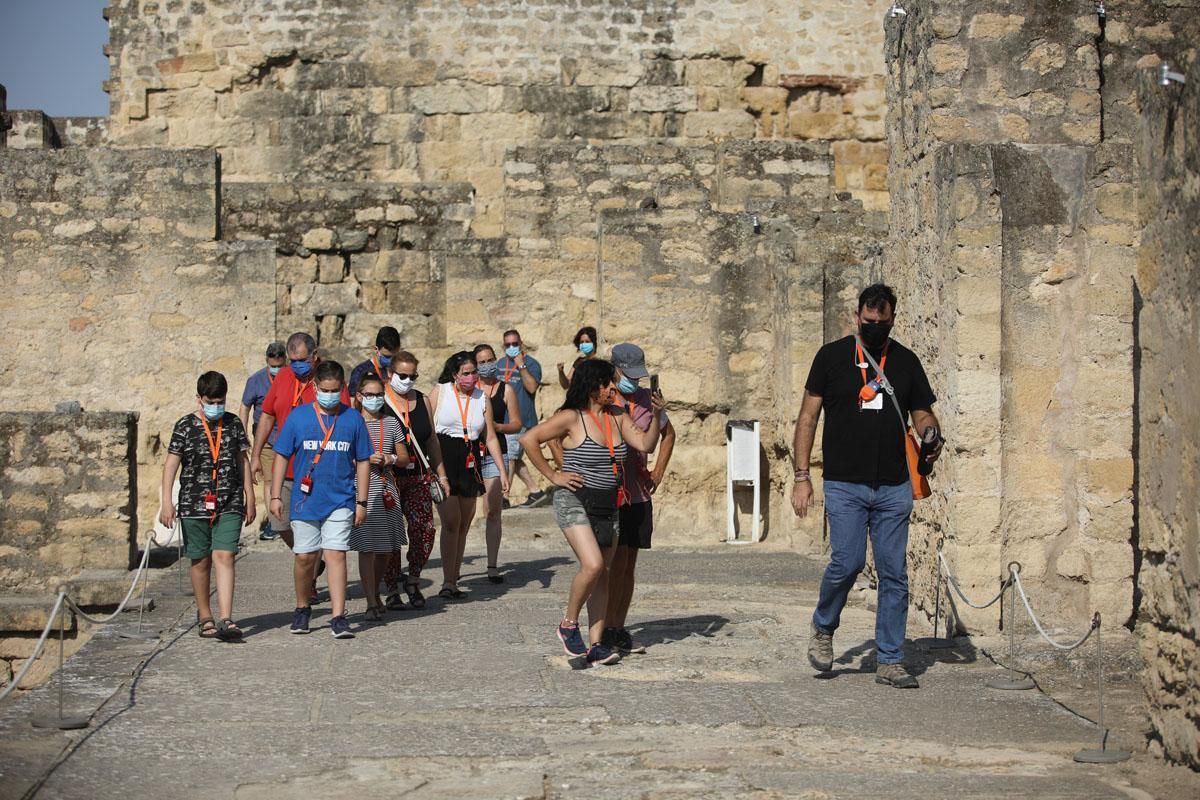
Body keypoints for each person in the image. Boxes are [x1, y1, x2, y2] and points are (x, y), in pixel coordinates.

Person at [792, 283, 942, 689]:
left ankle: (891, 659)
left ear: (893, 319)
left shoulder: (906, 362)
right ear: (857, 316)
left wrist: (930, 434)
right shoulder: (831, 357)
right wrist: (801, 477)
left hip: (893, 485)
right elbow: (807, 418)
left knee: (894, 573)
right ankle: (823, 626)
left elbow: (923, 413)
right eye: (869, 320)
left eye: (883, 321)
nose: (876, 327)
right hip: (844, 483)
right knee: (848, 561)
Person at [521, 359, 664, 667]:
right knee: (593, 564)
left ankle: (597, 644)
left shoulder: (618, 416)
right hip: (574, 500)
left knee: (603, 575)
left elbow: (646, 444)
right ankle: (568, 624)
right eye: (608, 383)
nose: (614, 387)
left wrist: (656, 414)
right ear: (593, 387)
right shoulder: (571, 418)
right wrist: (553, 475)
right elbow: (528, 439)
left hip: (608, 502)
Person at [271, 360, 371, 639]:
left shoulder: (352, 419)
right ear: (315, 388)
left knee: (336, 554)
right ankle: (302, 607)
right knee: (305, 557)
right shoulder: (298, 417)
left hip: (341, 500)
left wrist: (361, 502)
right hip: (305, 501)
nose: (330, 395)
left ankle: (338, 616)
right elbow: (281, 456)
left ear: (341, 389)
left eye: (335, 390)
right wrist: (276, 495)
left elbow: (363, 460)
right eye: (324, 390)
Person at [251, 332, 349, 603]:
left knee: (313, 526)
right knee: (279, 522)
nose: (297, 366)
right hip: (285, 465)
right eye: (292, 360)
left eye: (302, 360)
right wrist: (256, 454)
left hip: (317, 469)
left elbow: (343, 421)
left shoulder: (327, 380)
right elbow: (268, 415)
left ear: (314, 356)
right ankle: (313, 561)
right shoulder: (283, 377)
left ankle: (309, 581)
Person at [160, 371, 255, 642]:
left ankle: (226, 617)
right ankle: (205, 616)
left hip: (229, 500)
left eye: (220, 400)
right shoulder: (185, 426)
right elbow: (171, 464)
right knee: (200, 560)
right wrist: (167, 501)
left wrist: (250, 495)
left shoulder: (234, 424)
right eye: (210, 401)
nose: (216, 406)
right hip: (193, 503)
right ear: (199, 399)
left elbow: (243, 460)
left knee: (225, 556)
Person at [603, 343, 675, 655]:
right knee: (612, 565)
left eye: (638, 375)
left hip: (638, 493)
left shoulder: (648, 400)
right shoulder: (606, 398)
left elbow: (668, 434)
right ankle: (602, 627)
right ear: (614, 369)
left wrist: (658, 471)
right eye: (628, 374)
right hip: (611, 492)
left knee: (629, 564)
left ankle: (619, 627)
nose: (634, 381)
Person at [429, 351, 508, 599]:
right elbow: (428, 430)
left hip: (470, 460)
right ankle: (447, 580)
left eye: (474, 372)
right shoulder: (440, 392)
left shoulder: (482, 398)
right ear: (455, 375)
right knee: (451, 521)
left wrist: (502, 472)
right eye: (466, 373)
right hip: (444, 458)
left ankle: (454, 577)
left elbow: (491, 436)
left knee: (464, 523)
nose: (472, 377)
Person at [379, 352, 450, 610]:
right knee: (391, 533)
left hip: (419, 475)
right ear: (390, 374)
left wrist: (441, 474)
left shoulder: (421, 400)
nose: (408, 381)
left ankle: (413, 578)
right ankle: (391, 588)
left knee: (425, 529)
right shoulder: (380, 400)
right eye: (402, 375)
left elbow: (431, 439)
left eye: (413, 376)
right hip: (389, 477)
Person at [348, 371, 411, 621]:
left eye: (379, 395)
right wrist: (361, 459)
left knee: (386, 548)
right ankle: (371, 600)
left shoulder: (391, 422)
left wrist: (389, 458)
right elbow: (343, 455)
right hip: (361, 488)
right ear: (360, 396)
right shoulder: (350, 422)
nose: (375, 399)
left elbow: (405, 458)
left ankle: (375, 592)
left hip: (386, 488)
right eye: (370, 395)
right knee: (367, 548)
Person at [474, 343, 523, 582]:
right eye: (481, 361)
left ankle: (492, 564)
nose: (486, 365)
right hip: (470, 452)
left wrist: (497, 427)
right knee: (463, 515)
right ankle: (454, 567)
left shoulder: (506, 390)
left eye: (489, 359)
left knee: (492, 510)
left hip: (496, 451)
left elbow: (516, 424)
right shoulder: (468, 389)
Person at [239, 341, 287, 540]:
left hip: (287, 436)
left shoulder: (291, 378)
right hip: (265, 439)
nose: (276, 370)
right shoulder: (256, 380)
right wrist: (243, 438)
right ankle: (274, 522)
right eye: (272, 366)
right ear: (267, 361)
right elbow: (244, 408)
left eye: (279, 365)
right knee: (269, 480)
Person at [496, 329, 548, 508]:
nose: (511, 347)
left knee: (510, 456)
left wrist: (521, 365)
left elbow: (532, 388)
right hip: (503, 419)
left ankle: (503, 497)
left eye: (515, 344)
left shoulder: (532, 364)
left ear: (521, 343)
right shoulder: (499, 364)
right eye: (508, 345)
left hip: (521, 420)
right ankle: (536, 492)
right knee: (514, 457)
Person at [348, 325, 401, 400]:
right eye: (386, 356)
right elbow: (352, 401)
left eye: (394, 356)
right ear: (376, 349)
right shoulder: (360, 371)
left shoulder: (399, 370)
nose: (391, 360)